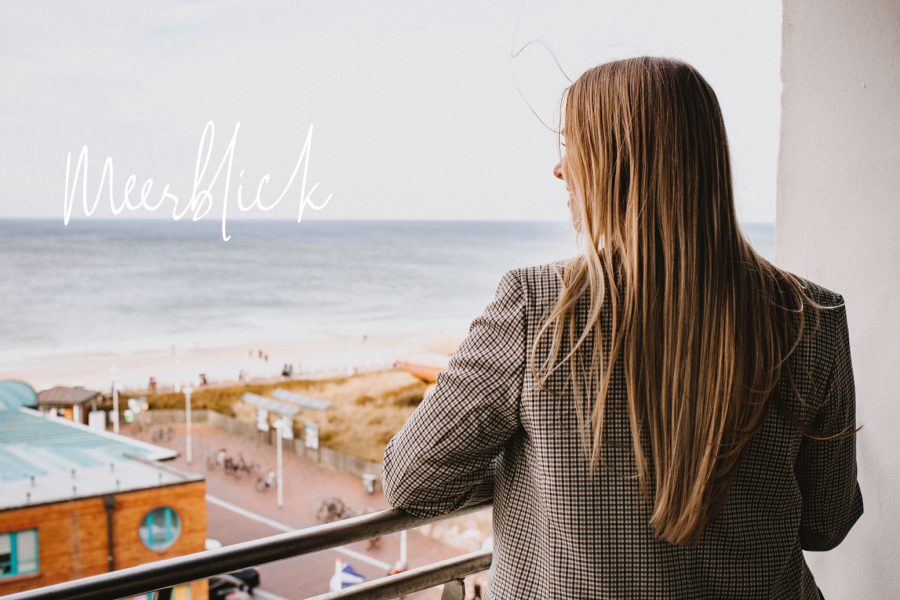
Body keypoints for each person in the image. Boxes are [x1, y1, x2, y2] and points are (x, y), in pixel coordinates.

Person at [381, 57, 863, 599]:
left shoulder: (535, 306)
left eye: (573, 145)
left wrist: (532, 461)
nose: (560, 170)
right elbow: (827, 523)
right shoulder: (811, 317)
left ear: (621, 163)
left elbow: (410, 479)